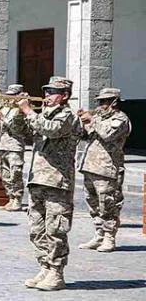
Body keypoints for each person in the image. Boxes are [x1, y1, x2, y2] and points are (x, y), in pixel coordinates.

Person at [17, 76, 79, 291]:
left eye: (53, 92)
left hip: (57, 181)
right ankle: (44, 266)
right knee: (38, 228)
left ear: (64, 96)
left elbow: (51, 129)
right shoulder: (41, 114)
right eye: (46, 92)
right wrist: (19, 112)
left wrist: (28, 111)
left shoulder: (67, 116)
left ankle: (56, 272)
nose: (47, 96)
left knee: (56, 229)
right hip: (38, 179)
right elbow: (23, 133)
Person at [77, 88, 131, 252]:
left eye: (105, 101)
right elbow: (86, 136)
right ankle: (99, 234)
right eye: (100, 101)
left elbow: (107, 134)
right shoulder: (98, 118)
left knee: (108, 204)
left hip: (108, 169)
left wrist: (92, 119)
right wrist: (82, 122)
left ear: (114, 102)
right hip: (90, 166)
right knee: (93, 204)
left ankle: (109, 237)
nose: (101, 105)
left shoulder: (120, 119)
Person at [0, 84, 31, 211]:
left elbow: (16, 128)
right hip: (3, 145)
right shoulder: (5, 108)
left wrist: (2, 119)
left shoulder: (20, 111)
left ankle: (18, 199)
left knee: (16, 173)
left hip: (15, 146)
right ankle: (10, 197)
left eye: (11, 96)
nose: (8, 98)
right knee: (3, 173)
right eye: (8, 96)